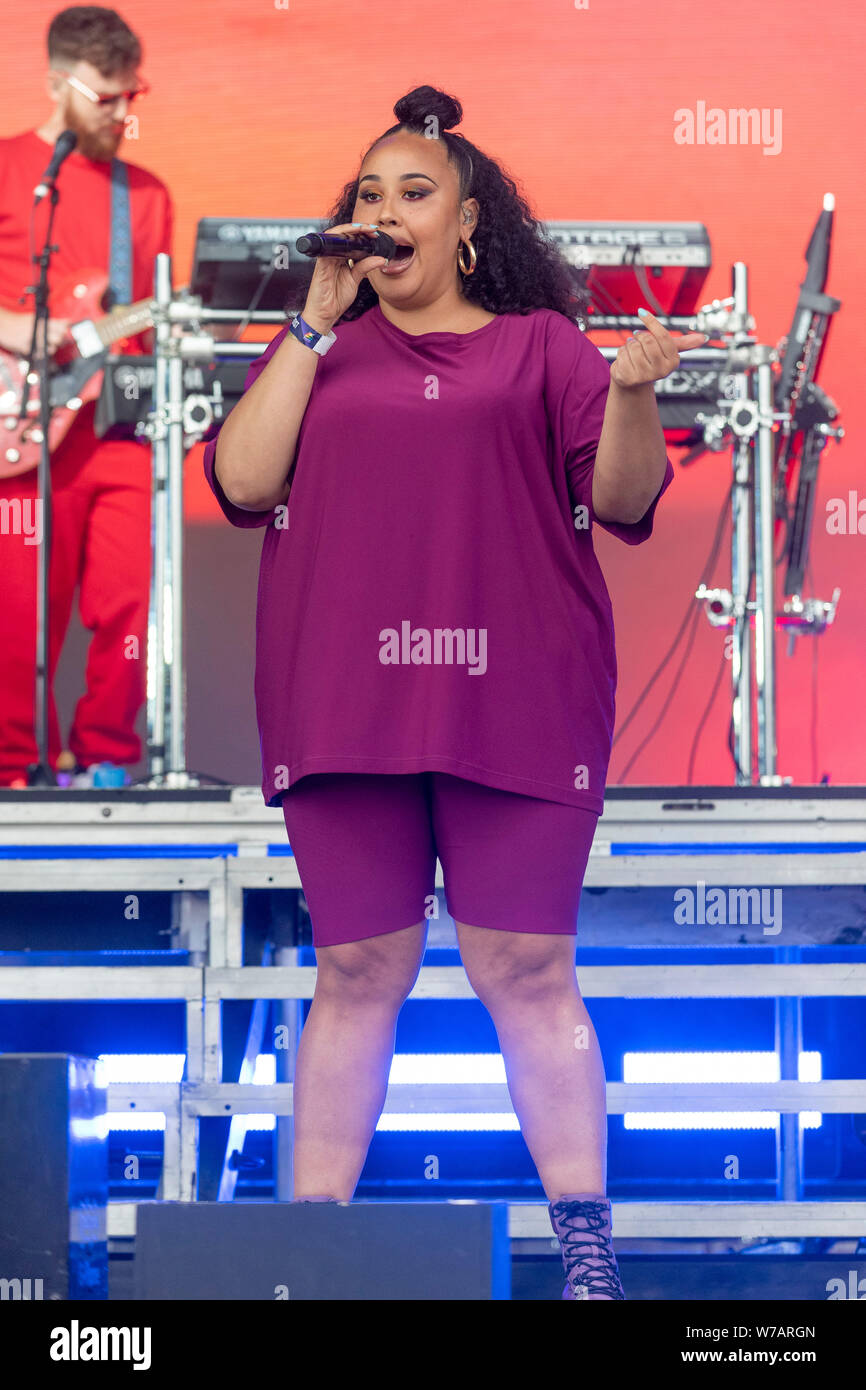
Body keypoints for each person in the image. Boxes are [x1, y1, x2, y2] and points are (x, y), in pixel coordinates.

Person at [203, 84, 707, 1301]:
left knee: (527, 970)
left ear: (467, 222)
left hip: (515, 698)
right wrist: (310, 327)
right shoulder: (322, 353)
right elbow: (238, 479)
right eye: (366, 195)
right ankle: (309, 1256)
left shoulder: (541, 346)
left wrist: (630, 392)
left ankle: (586, 1250)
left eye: (411, 194)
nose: (382, 214)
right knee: (356, 971)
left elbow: (628, 501)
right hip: (344, 700)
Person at [0, 6, 173, 787]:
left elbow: (152, 316)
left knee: (127, 598)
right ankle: (10, 768)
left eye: (129, 96)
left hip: (117, 425)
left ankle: (107, 760)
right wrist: (19, 328)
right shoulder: (7, 167)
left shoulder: (146, 194)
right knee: (17, 614)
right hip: (24, 422)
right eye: (105, 99)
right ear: (55, 84)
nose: (121, 113)